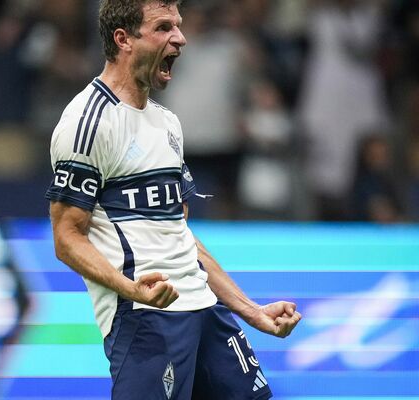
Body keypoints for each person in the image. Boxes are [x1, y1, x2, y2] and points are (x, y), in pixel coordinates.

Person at [45, 1, 302, 399]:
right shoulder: (89, 122)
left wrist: (251, 312)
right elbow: (66, 238)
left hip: (205, 310)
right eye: (164, 27)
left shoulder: (167, 121)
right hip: (145, 320)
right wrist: (130, 289)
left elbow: (179, 233)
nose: (180, 38)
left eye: (178, 26)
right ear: (123, 39)